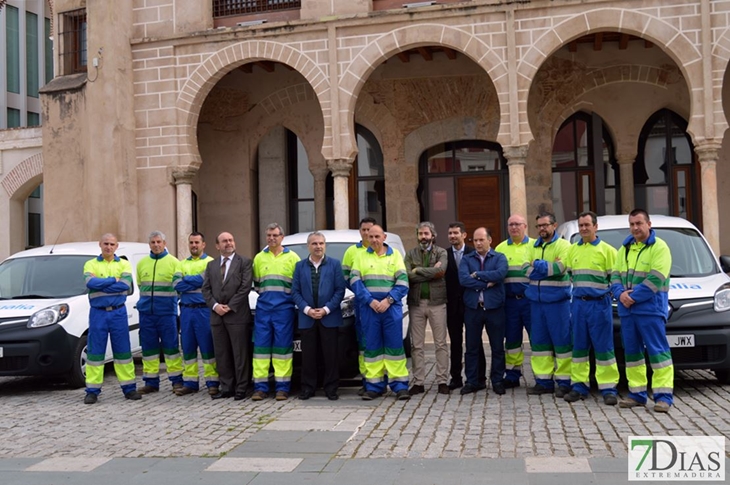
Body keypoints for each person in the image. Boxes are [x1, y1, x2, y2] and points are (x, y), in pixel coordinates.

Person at [611, 209, 673, 413]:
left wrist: (631, 297)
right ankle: (637, 394)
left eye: (639, 223)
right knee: (633, 354)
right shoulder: (625, 248)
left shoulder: (660, 247)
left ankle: (663, 397)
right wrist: (620, 294)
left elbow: (656, 279)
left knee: (658, 352)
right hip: (628, 312)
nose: (635, 228)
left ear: (649, 223)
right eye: (632, 224)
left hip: (650, 310)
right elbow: (615, 276)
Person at [564, 212, 620, 406]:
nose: (584, 229)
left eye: (587, 225)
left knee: (604, 347)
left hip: (599, 304)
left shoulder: (608, 251)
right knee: (579, 346)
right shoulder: (572, 250)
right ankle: (579, 386)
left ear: (595, 227)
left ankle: (608, 388)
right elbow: (570, 275)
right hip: (578, 304)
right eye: (581, 226)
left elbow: (616, 279)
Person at [350, 224, 410, 401]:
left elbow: (403, 282)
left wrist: (388, 300)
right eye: (371, 237)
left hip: (390, 308)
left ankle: (400, 386)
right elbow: (355, 282)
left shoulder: (395, 255)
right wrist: (370, 301)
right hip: (369, 308)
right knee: (372, 347)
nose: (374, 240)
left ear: (384, 237)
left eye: (377, 236)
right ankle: (374, 386)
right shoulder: (360, 256)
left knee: (395, 348)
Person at [82, 234, 142, 404]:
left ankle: (129, 388)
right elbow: (90, 284)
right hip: (98, 313)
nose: (108, 247)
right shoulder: (90, 264)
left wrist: (102, 282)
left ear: (117, 246)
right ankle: (92, 391)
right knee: (95, 352)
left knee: (123, 351)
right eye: (106, 244)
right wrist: (112, 280)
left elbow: (124, 285)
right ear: (100, 244)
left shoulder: (124, 263)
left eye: (112, 244)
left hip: (118, 313)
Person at [291, 232, 347, 400]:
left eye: (321, 243)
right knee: (308, 356)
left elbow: (340, 290)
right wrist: (307, 309)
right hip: (307, 317)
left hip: (328, 316)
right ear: (308, 246)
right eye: (314, 243)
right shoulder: (300, 266)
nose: (318, 246)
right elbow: (295, 291)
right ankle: (308, 388)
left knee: (330, 355)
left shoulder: (334, 265)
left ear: (325, 245)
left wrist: (326, 309)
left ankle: (331, 388)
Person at [524, 212, 572, 397]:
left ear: (554, 225)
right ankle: (543, 382)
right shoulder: (532, 246)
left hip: (558, 302)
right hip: (536, 303)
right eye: (539, 226)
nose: (542, 229)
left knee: (562, 343)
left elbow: (560, 269)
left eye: (545, 225)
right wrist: (546, 268)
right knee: (539, 344)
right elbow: (524, 269)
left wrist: (537, 265)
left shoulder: (564, 245)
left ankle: (564, 382)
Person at [202, 232, 254, 401]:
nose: (228, 243)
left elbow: (245, 287)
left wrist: (230, 306)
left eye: (231, 240)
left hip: (237, 315)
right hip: (217, 317)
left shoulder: (244, 262)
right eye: (224, 241)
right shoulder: (211, 265)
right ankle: (227, 387)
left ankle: (242, 387)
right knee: (222, 354)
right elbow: (206, 289)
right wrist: (216, 306)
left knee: (240, 354)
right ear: (217, 245)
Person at [252, 223, 300, 401]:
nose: (271, 238)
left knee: (283, 349)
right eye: (269, 235)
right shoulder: (259, 258)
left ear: (282, 237)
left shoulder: (293, 258)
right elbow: (257, 285)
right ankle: (260, 388)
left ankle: (282, 388)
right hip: (264, 309)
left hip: (284, 310)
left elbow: (296, 286)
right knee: (261, 350)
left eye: (275, 235)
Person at [458, 227, 508, 395]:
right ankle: (472, 381)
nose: (478, 243)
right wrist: (486, 282)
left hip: (494, 309)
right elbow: (464, 279)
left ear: (489, 240)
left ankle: (497, 380)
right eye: (475, 240)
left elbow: (500, 274)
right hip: (473, 309)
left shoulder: (499, 257)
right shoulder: (467, 259)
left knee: (497, 347)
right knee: (471, 348)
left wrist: (477, 274)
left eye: (481, 240)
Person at [405, 221, 449, 395]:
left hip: (437, 302)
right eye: (420, 234)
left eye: (426, 234)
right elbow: (407, 275)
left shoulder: (441, 252)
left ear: (433, 235)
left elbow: (441, 272)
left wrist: (418, 270)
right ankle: (418, 381)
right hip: (416, 303)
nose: (423, 237)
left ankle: (442, 381)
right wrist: (428, 271)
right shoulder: (410, 254)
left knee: (440, 344)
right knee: (417, 345)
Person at [136, 231, 182, 394]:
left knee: (171, 348)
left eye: (159, 242)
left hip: (167, 314)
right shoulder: (142, 263)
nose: (156, 245)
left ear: (164, 243)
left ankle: (176, 381)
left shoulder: (174, 263)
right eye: (153, 242)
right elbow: (141, 285)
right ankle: (151, 382)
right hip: (146, 314)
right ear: (149, 244)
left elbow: (178, 288)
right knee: (149, 349)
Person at [172, 232, 218, 396]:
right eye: (191, 242)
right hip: (186, 310)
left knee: (207, 347)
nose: (194, 245)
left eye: (197, 242)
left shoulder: (210, 262)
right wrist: (196, 280)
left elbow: (206, 281)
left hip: (203, 310)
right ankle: (190, 382)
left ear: (203, 244)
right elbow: (177, 284)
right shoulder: (181, 263)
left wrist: (188, 281)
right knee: (188, 348)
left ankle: (212, 382)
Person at [495, 215, 534, 388]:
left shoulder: (535, 245)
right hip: (510, 302)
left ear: (525, 226)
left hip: (530, 301)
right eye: (510, 224)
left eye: (517, 224)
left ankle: (542, 377)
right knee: (511, 340)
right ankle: (512, 374)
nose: (514, 227)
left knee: (537, 339)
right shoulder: (501, 248)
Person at [445, 222, 484, 390]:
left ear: (464, 235)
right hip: (452, 305)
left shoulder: (473, 253)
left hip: (471, 303)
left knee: (475, 342)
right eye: (450, 233)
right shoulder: (444, 255)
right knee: (455, 342)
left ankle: (479, 377)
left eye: (455, 233)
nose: (452, 236)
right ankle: (456, 377)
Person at [342, 216, 376, 393]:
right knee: (363, 343)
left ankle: (380, 380)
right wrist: (360, 292)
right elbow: (346, 278)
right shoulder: (351, 252)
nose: (367, 233)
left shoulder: (384, 250)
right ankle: (366, 380)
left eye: (370, 230)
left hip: (381, 303)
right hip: (361, 304)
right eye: (364, 230)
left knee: (379, 343)